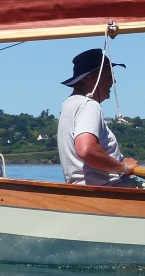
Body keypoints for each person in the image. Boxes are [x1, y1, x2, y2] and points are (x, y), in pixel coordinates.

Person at [57, 48, 139, 186]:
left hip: (83, 192)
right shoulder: (89, 105)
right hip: (110, 190)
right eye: (108, 76)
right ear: (92, 78)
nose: (113, 81)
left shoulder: (68, 105)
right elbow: (86, 150)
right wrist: (123, 168)